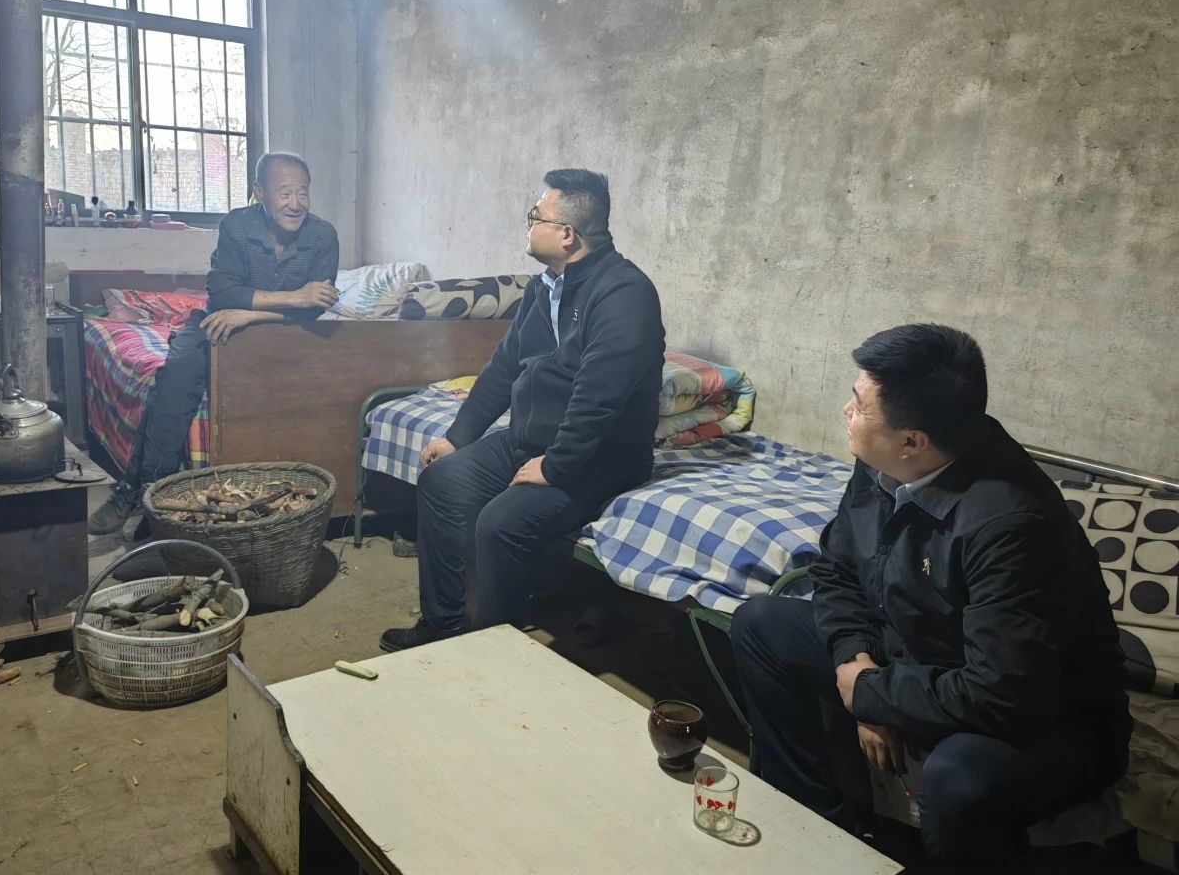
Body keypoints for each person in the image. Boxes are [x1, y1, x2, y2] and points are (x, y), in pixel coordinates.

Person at [730, 323, 1130, 867]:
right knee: (761, 625)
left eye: (859, 405)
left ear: (912, 441)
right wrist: (856, 662)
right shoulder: (884, 462)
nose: (847, 412)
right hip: (915, 655)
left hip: (1049, 717)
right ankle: (818, 831)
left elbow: (1001, 693)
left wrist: (873, 694)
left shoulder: (1010, 524)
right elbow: (838, 571)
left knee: (957, 778)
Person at [380, 169, 665, 652]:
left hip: (598, 458)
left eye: (537, 216)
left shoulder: (624, 295)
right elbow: (504, 367)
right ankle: (442, 624)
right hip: (528, 441)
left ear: (567, 234)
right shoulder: (544, 288)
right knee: (442, 481)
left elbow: (599, 397)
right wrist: (458, 437)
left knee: (500, 523)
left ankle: (492, 650)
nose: (529, 224)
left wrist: (556, 466)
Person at [87, 152, 340, 537]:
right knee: (176, 376)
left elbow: (315, 308)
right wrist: (294, 296)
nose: (295, 203)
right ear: (260, 192)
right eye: (285, 192)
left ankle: (141, 493)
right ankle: (147, 491)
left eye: (302, 193)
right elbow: (222, 294)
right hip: (218, 319)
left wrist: (251, 314)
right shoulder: (237, 225)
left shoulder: (323, 235)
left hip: (282, 330)